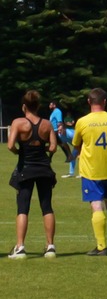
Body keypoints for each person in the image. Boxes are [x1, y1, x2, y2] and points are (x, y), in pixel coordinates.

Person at [7, 89, 60, 259]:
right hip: (44, 168)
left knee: (23, 207)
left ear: (24, 106)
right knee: (46, 207)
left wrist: (18, 151)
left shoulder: (18, 122)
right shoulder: (46, 124)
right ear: (38, 105)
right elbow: (53, 147)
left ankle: (20, 246)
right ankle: (50, 246)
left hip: (26, 168)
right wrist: (43, 149)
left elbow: (10, 145)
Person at [73, 87, 107, 257]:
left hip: (91, 170)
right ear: (105, 102)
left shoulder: (82, 121)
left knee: (97, 206)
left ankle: (101, 245)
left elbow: (76, 144)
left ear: (89, 102)